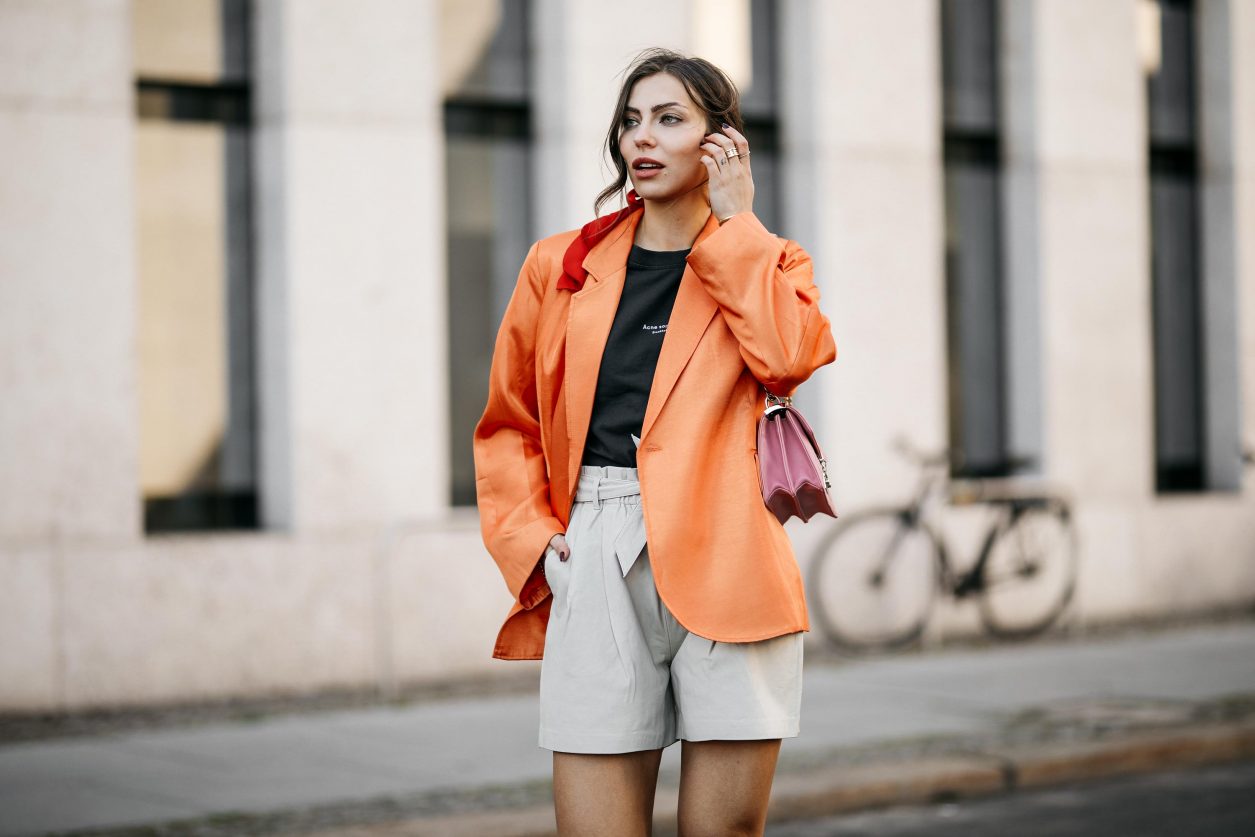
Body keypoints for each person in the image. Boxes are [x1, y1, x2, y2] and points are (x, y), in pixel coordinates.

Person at [473, 47, 837, 836]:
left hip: (731, 549)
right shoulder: (560, 267)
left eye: (669, 119)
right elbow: (509, 425)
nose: (643, 137)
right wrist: (537, 547)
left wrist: (738, 223)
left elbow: (788, 357)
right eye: (632, 120)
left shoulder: (769, 260)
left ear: (720, 142)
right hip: (595, 550)